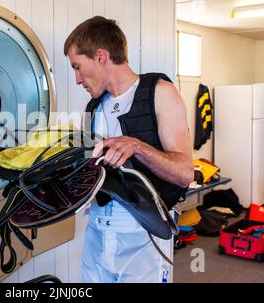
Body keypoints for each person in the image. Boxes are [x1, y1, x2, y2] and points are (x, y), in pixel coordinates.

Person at [63, 16, 193, 283]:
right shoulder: (93, 108)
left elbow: (184, 173)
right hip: (97, 233)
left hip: (143, 237)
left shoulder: (160, 92)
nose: (77, 79)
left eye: (77, 67)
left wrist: (137, 146)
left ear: (100, 56)